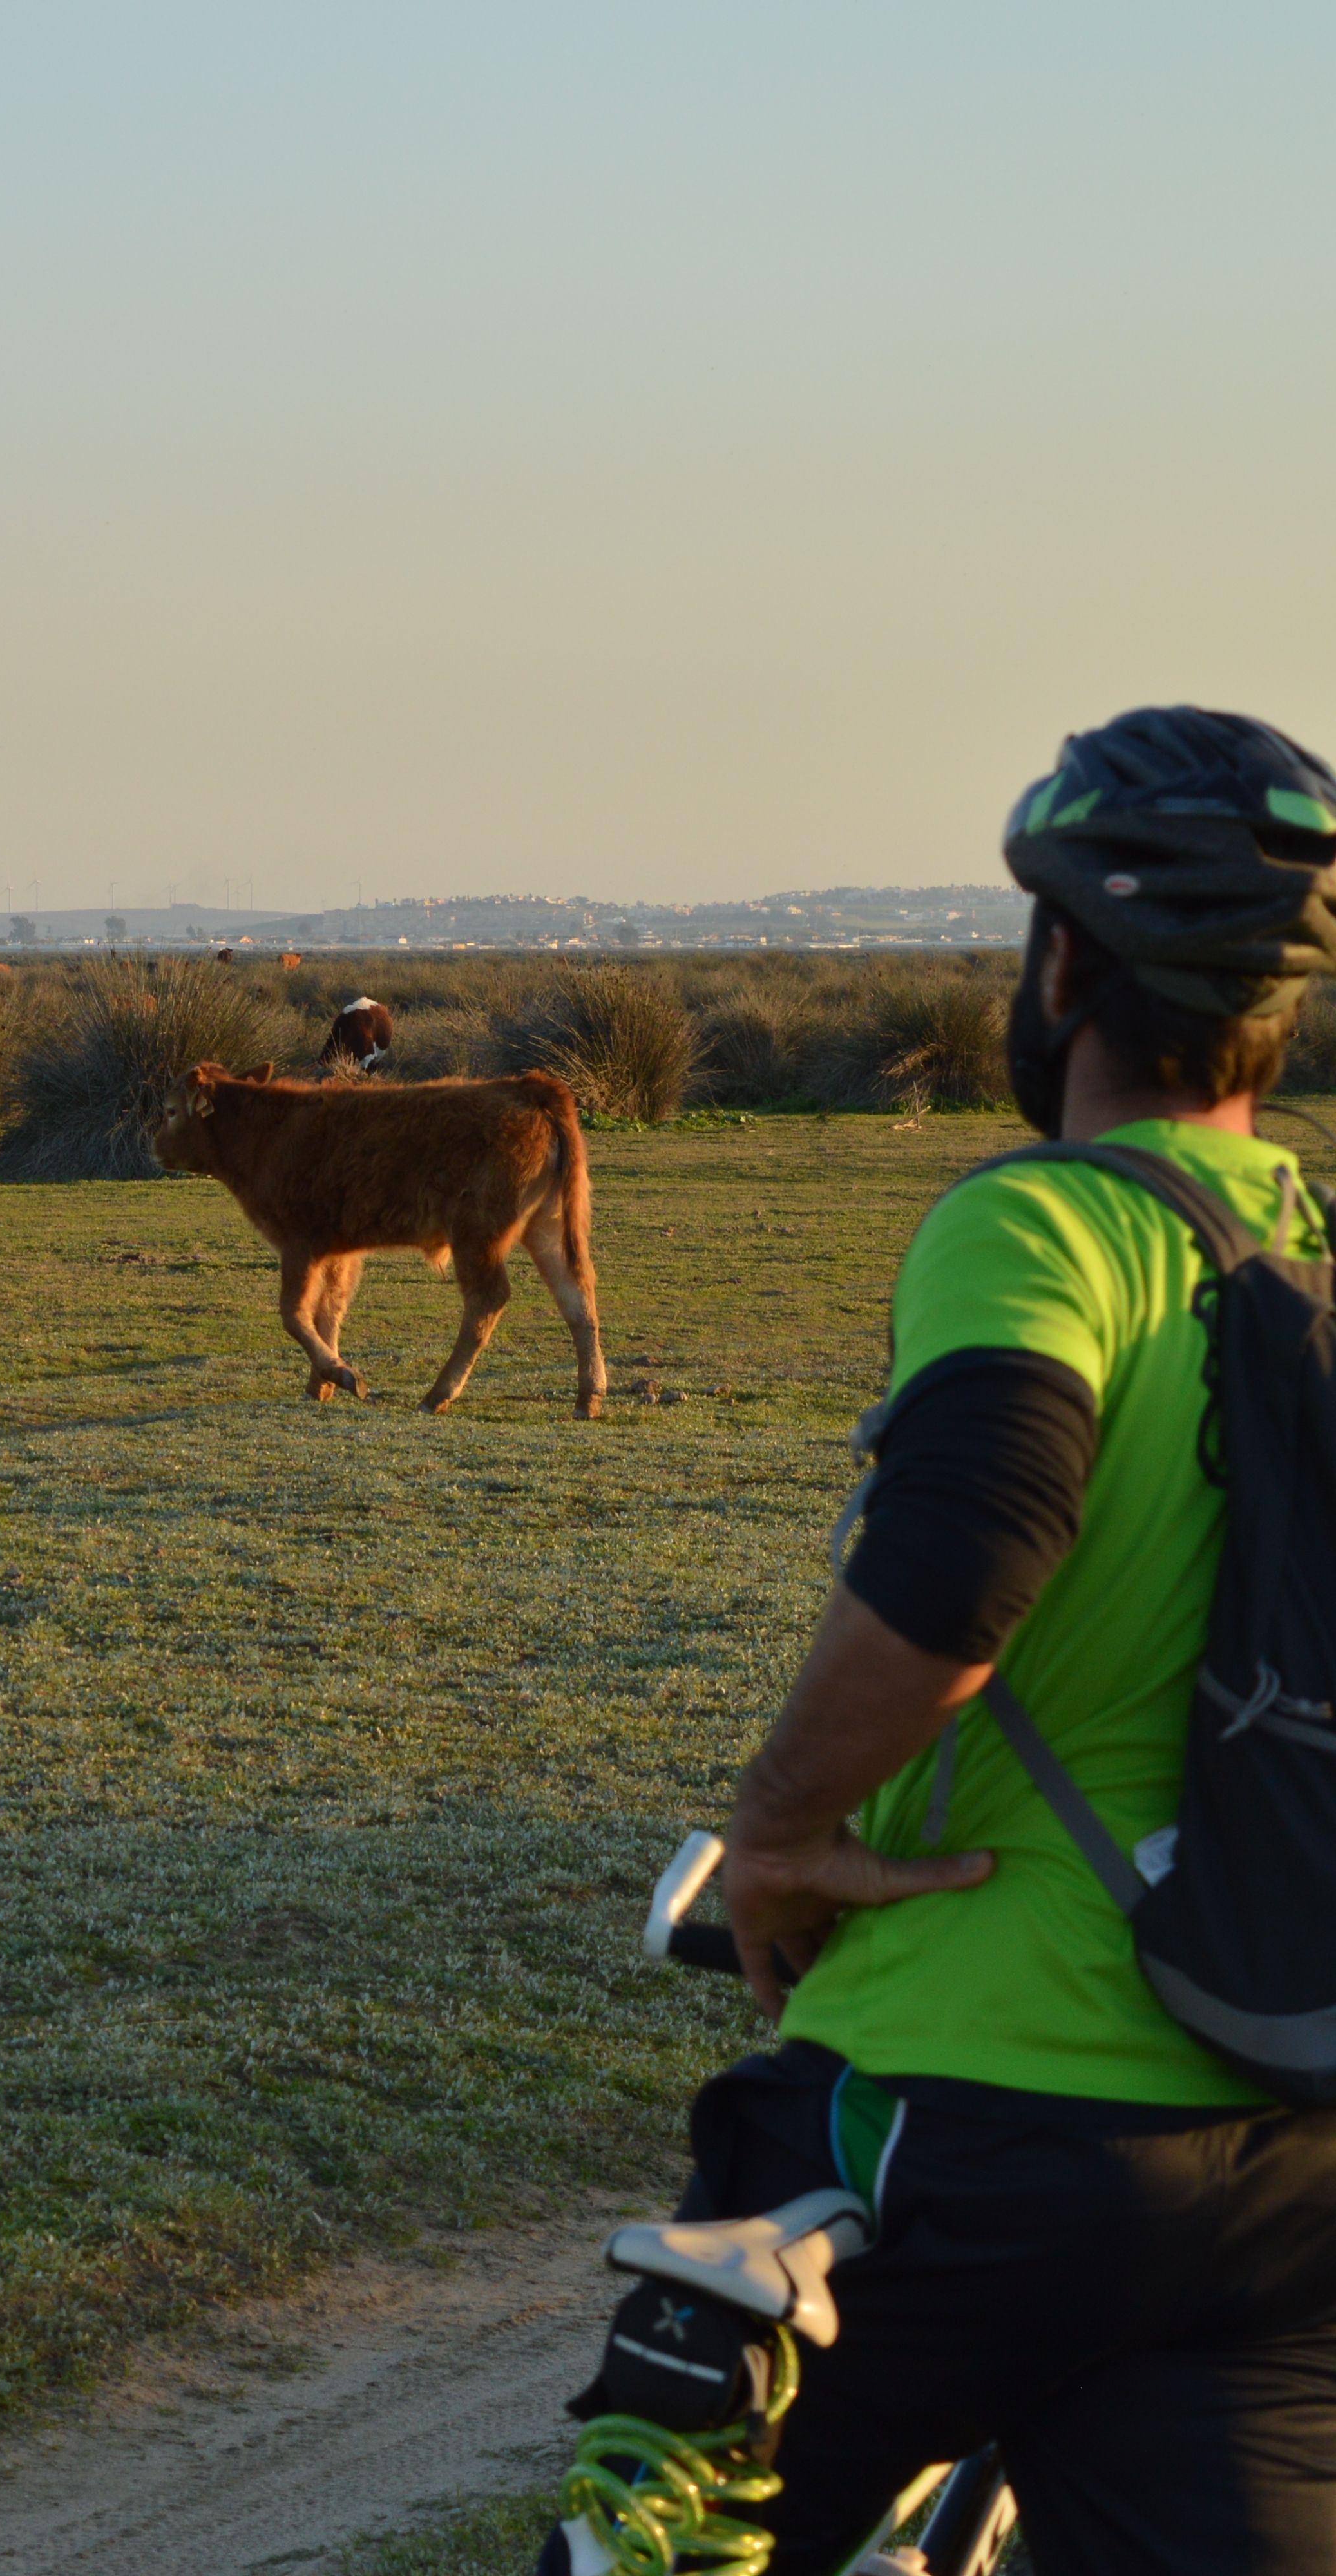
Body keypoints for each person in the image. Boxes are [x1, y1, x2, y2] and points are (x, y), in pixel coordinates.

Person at [540, 707, 1336, 2573]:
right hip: (1282, 2160)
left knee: (662, 2538)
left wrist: (782, 1836)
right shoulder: (1307, 1257)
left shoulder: (1049, 1226)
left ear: (1061, 960)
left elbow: (973, 1541)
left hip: (962, 2118)